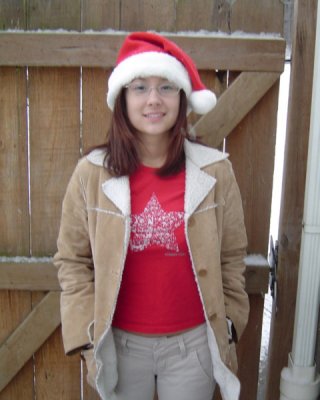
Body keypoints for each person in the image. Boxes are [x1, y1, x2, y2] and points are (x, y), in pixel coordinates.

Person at [54, 31, 249, 400]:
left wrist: (229, 323)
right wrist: (85, 334)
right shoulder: (92, 174)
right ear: (123, 98)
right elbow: (72, 260)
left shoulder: (214, 172)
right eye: (140, 87)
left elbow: (232, 255)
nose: (153, 100)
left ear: (181, 96)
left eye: (166, 87)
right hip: (119, 348)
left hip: (193, 349)